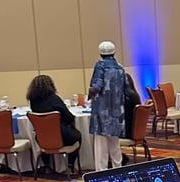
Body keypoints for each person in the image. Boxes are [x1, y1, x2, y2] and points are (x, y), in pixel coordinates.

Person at [26, 74, 82, 171]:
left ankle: (47, 166)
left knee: (43, 136)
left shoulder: (33, 101)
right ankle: (70, 165)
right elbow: (69, 117)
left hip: (42, 138)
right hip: (62, 137)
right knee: (78, 135)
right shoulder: (54, 99)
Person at [88, 40, 127, 171]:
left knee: (101, 144)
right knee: (114, 143)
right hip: (117, 111)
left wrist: (90, 93)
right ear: (114, 52)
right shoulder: (120, 68)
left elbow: (97, 86)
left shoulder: (100, 66)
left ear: (100, 53)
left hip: (102, 110)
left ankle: (101, 170)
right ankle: (118, 168)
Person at [121, 73, 142, 165]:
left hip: (127, 132)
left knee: (105, 135)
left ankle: (117, 157)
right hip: (137, 131)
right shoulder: (135, 95)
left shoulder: (125, 98)